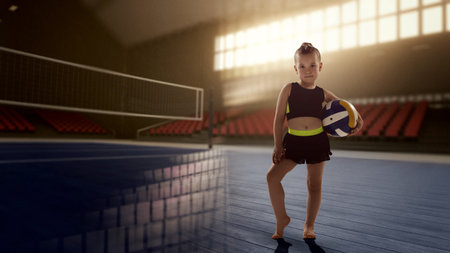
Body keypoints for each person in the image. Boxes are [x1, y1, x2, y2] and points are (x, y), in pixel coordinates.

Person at [266, 42, 363, 242]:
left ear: (320, 66)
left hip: (317, 141)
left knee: (314, 185)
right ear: (295, 69)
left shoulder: (324, 93)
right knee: (272, 178)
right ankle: (281, 219)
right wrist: (277, 145)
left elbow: (348, 110)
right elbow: (278, 119)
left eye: (312, 65)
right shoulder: (289, 89)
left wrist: (357, 123)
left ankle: (309, 225)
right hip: (293, 141)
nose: (307, 70)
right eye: (302, 66)